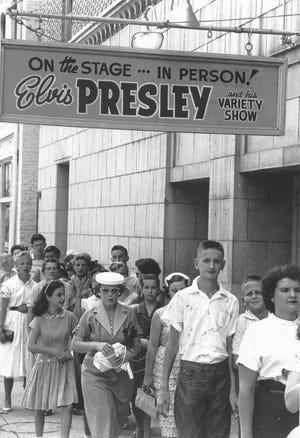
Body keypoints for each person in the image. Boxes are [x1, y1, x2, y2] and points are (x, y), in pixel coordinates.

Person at [158, 240, 239, 438]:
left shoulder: (230, 300)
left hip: (221, 376)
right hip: (191, 373)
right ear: (196, 263)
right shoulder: (183, 298)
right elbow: (172, 345)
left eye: (217, 262)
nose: (212, 266)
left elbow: (229, 347)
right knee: (189, 433)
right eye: (206, 261)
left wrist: (233, 390)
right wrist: (164, 388)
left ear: (223, 265)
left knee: (218, 434)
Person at [71, 272, 141, 438]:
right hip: (95, 375)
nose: (110, 294)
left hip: (121, 376)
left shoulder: (129, 313)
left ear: (120, 291)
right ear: (98, 291)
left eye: (114, 291)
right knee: (104, 423)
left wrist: (127, 356)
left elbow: (136, 344)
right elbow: (75, 344)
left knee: (117, 420)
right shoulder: (90, 314)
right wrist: (96, 345)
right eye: (105, 291)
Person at [238, 264, 300, 438]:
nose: (293, 295)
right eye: (285, 290)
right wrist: (246, 434)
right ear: (271, 296)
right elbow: (246, 388)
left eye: (298, 290)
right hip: (269, 411)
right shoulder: (257, 331)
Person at [22, 280, 78, 438]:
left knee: (67, 404)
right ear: (48, 297)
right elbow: (31, 346)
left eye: (64, 295)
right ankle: (39, 436)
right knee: (40, 405)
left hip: (64, 366)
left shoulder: (70, 317)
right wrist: (53, 351)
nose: (62, 298)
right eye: (59, 295)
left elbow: (79, 338)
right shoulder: (39, 320)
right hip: (44, 366)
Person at [143, 273, 190, 438]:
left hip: (187, 365)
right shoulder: (160, 314)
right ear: (168, 292)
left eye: (181, 290)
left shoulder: (192, 313)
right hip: (164, 368)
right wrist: (147, 375)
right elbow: (153, 345)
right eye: (173, 290)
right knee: (167, 411)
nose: (177, 294)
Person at [0, 251, 36, 412]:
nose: (25, 266)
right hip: (12, 322)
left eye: (28, 263)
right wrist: (1, 326)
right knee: (10, 360)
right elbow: (3, 306)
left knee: (29, 359)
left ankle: (29, 397)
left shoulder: (35, 286)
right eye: (22, 263)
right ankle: (7, 398)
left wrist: (28, 308)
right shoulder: (9, 284)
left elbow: (37, 306)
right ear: (16, 266)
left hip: (29, 323)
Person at [131, 273, 162, 438]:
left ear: (158, 290)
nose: (150, 291)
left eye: (153, 287)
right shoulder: (134, 310)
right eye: (146, 287)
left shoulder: (163, 310)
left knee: (153, 396)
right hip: (138, 358)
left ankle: (146, 429)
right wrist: (143, 342)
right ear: (141, 289)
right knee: (137, 396)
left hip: (157, 359)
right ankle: (141, 427)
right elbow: (129, 335)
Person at [232, 275, 268, 365]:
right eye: (249, 294)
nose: (254, 296)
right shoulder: (242, 321)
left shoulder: (276, 316)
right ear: (243, 301)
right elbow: (237, 358)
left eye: (258, 292)